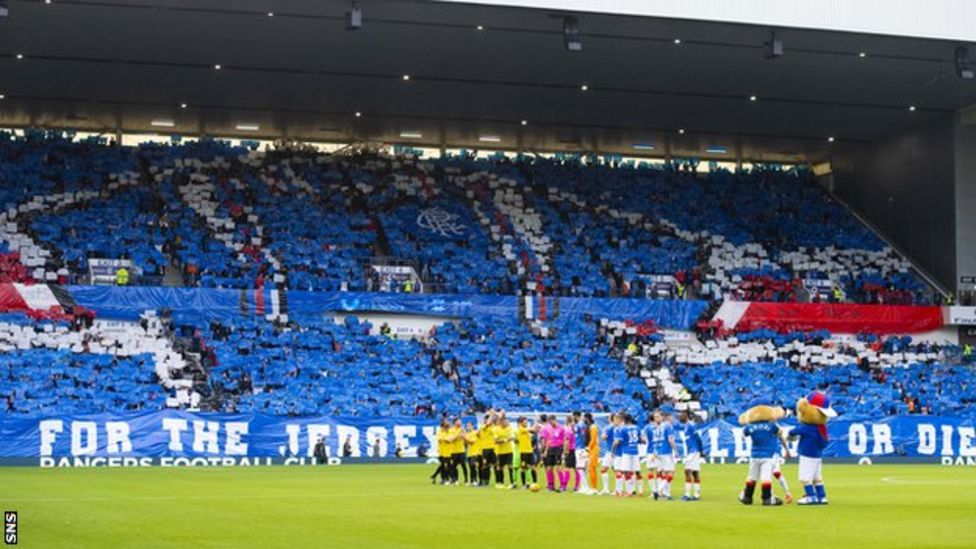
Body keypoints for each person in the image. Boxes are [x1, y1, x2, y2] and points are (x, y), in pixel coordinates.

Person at [739, 412, 790, 506]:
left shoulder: (750, 426)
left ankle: (747, 497)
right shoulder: (772, 425)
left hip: (754, 455)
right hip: (768, 455)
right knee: (766, 477)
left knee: (752, 477)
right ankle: (767, 498)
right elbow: (780, 435)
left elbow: (743, 435)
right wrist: (786, 449)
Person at [677, 410, 704, 501]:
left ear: (687, 416)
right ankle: (696, 495)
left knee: (687, 471)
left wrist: (701, 451)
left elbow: (698, 438)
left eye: (682, 415)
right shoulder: (686, 427)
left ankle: (687, 495)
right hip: (692, 452)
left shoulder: (691, 426)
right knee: (695, 472)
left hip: (694, 451)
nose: (680, 416)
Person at [651, 410, 678, 500]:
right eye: (655, 417)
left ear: (662, 417)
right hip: (666, 452)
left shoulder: (656, 428)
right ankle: (658, 490)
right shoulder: (667, 426)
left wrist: (655, 453)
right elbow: (670, 440)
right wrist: (676, 450)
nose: (656, 419)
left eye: (657, 417)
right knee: (670, 473)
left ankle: (667, 494)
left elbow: (655, 442)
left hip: (659, 453)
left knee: (664, 474)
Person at [540, 415, 566, 492]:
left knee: (558, 467)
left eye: (552, 422)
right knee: (549, 467)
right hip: (550, 448)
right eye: (550, 422)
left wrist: (564, 452)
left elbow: (565, 440)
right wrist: (545, 451)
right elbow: (547, 440)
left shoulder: (561, 428)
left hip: (558, 448)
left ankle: (562, 485)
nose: (551, 424)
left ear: (555, 420)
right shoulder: (547, 428)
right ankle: (550, 485)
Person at [492, 416, 516, 489]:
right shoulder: (495, 429)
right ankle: (500, 482)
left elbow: (512, 437)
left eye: (507, 421)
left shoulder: (509, 428)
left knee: (510, 466)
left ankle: (512, 483)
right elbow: (496, 441)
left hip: (509, 451)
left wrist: (503, 439)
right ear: (501, 422)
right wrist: (506, 440)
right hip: (499, 452)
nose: (507, 423)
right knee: (499, 467)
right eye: (505, 421)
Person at [516, 417, 538, 488]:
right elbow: (532, 429)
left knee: (533, 467)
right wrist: (536, 422)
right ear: (520, 422)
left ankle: (535, 483)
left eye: (526, 421)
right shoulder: (520, 429)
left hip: (530, 451)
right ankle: (524, 484)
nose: (526, 422)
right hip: (523, 452)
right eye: (524, 421)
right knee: (523, 468)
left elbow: (533, 431)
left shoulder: (526, 431)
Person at [599, 413, 617, 495]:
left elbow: (604, 437)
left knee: (603, 470)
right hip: (618, 452)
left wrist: (603, 434)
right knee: (617, 471)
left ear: (611, 418)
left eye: (609, 418)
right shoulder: (618, 427)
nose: (607, 419)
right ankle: (617, 490)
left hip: (611, 451)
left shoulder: (609, 427)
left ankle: (606, 489)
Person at [478, 413, 496, 487]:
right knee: (484, 466)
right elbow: (488, 423)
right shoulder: (483, 426)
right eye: (487, 418)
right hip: (485, 449)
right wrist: (492, 414)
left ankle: (489, 481)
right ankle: (483, 481)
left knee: (494, 465)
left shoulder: (493, 427)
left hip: (493, 448)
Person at [560, 414, 577, 492]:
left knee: (567, 468)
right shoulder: (572, 429)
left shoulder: (568, 430)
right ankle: (576, 486)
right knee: (575, 469)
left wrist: (564, 451)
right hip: (574, 450)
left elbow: (566, 442)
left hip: (570, 450)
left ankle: (564, 486)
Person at [584, 413, 600, 495]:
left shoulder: (593, 427)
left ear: (587, 418)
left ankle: (594, 488)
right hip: (592, 450)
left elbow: (593, 440)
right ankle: (593, 487)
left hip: (594, 450)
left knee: (591, 468)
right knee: (590, 469)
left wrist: (588, 448)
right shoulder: (591, 427)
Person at [433, 419, 452, 485]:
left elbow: (450, 439)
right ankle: (444, 479)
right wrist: (445, 438)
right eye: (444, 426)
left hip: (449, 451)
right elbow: (440, 439)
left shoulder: (449, 432)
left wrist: (445, 438)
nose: (445, 428)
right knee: (444, 466)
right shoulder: (440, 432)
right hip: (442, 452)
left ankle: (437, 476)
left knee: (446, 466)